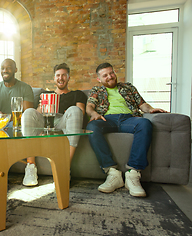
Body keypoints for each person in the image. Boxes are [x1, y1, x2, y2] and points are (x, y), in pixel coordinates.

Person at [86, 62, 167, 197]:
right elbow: (89, 106)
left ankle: (133, 174)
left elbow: (142, 104)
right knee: (92, 127)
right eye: (105, 75)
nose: (110, 77)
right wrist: (94, 114)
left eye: (111, 73)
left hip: (129, 119)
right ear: (99, 79)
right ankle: (112, 173)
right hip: (107, 119)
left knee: (145, 123)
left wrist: (151, 109)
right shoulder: (97, 90)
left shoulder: (128, 87)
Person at [21, 63, 87, 186]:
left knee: (75, 110)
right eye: (58, 75)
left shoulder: (77, 94)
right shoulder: (47, 94)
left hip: (65, 121)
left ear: (68, 78)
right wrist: (43, 106)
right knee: (29, 112)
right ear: (54, 78)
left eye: (63, 75)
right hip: (47, 120)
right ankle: (30, 168)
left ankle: (64, 168)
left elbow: (81, 112)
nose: (60, 78)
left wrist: (71, 111)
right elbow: (37, 115)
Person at [0, 58, 35, 185]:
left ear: (15, 70)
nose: (5, 70)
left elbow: (28, 113)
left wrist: (7, 118)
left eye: (8, 68)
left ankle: (29, 169)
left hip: (18, 124)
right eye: (2, 68)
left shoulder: (25, 88)